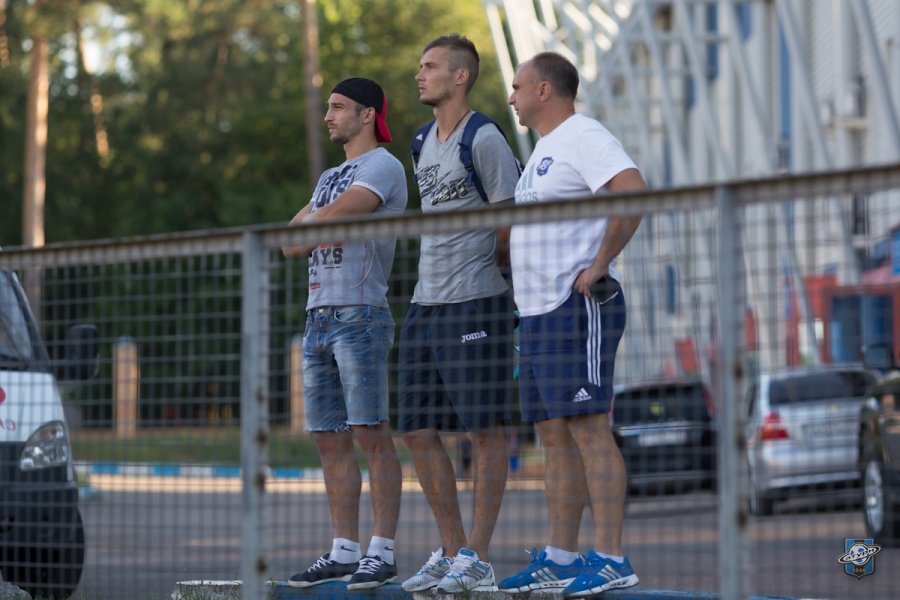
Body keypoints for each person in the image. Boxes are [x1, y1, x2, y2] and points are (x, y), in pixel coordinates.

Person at [498, 52, 645, 598]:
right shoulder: (542, 149)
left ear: (544, 89)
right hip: (536, 313)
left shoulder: (584, 134)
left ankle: (611, 557)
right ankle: (560, 557)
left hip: (575, 304)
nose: (511, 97)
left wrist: (601, 262)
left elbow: (632, 191)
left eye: (517, 87)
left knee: (587, 427)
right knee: (552, 434)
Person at [398, 34, 520, 595]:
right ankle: (451, 552)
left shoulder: (485, 137)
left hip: (476, 300)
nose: (419, 75)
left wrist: (491, 272)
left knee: (484, 430)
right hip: (425, 304)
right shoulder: (421, 140)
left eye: (430, 67)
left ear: (461, 76)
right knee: (415, 429)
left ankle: (479, 557)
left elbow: (510, 220)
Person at [282, 77, 407, 590]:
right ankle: (343, 550)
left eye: (338, 107)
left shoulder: (382, 166)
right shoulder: (329, 176)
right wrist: (319, 221)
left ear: (366, 114)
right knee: (327, 439)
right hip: (317, 316)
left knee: (370, 432)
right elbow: (291, 243)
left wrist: (318, 221)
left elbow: (332, 219)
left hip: (360, 314)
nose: (328, 116)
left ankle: (382, 552)